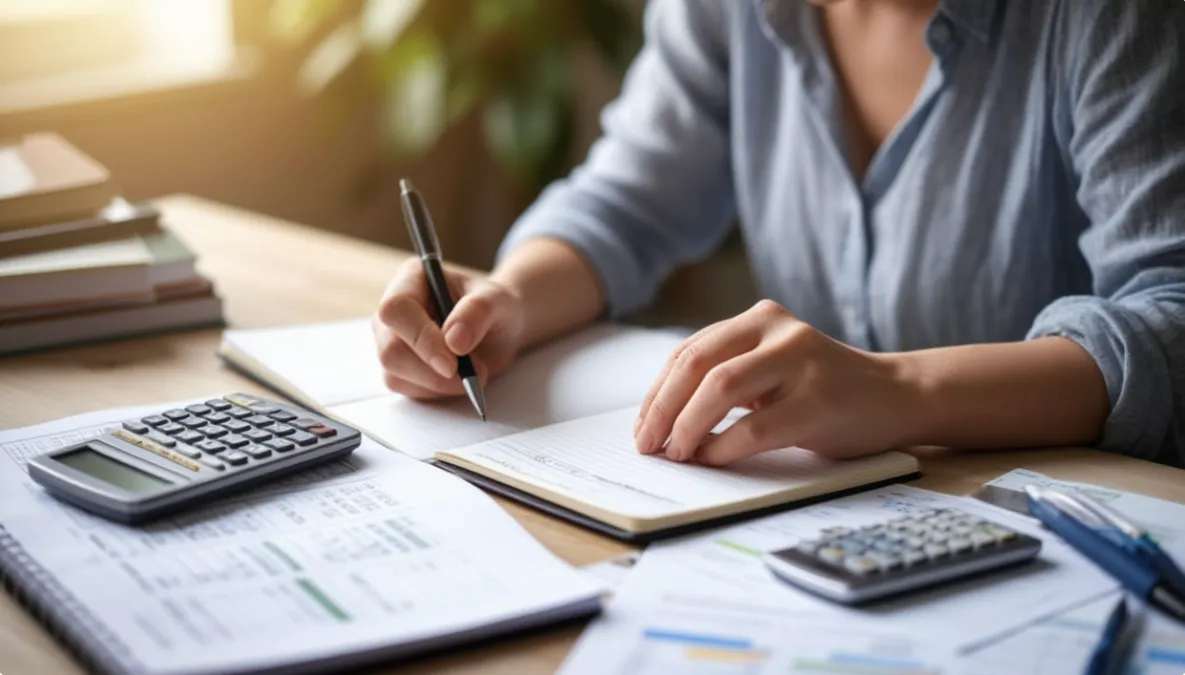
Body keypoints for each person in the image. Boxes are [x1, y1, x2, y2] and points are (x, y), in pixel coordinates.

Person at [372, 0, 1185, 468]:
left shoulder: (1113, 17)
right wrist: (507, 297)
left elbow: (1173, 319)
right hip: (821, 526)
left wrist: (901, 392)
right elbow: (626, 200)